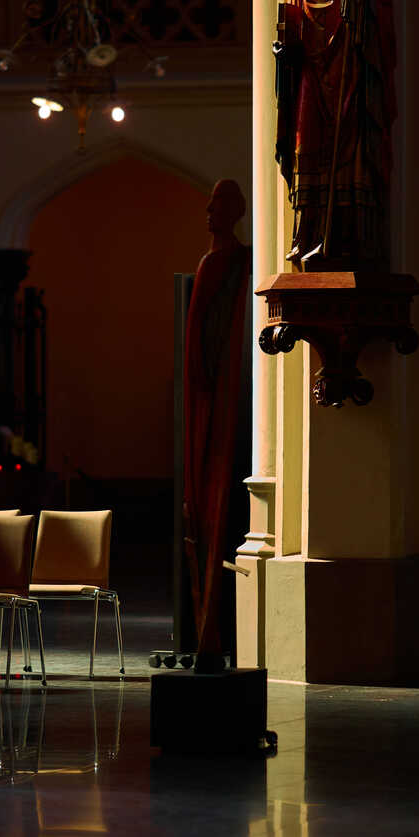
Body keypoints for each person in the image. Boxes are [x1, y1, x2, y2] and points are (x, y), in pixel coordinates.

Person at [274, 0, 397, 271]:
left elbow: (384, 32)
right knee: (307, 149)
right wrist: (284, 52)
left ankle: (350, 239)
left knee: (353, 155)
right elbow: (294, 21)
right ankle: (307, 235)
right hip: (312, 77)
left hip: (352, 76)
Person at [181, 180, 251, 669]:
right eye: (209, 203)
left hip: (225, 397)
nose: (208, 210)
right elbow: (197, 340)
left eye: (218, 204)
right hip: (213, 396)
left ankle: (213, 631)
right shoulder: (216, 263)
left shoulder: (231, 261)